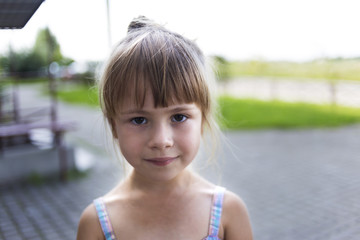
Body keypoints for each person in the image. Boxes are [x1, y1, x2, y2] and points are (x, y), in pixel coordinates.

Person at [76, 16, 253, 240]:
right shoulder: (96, 224)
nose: (161, 140)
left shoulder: (229, 213)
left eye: (179, 116)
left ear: (203, 120)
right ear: (113, 126)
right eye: (139, 120)